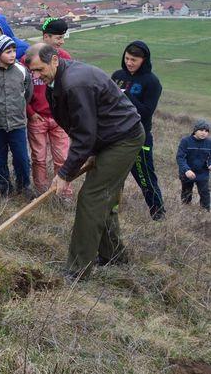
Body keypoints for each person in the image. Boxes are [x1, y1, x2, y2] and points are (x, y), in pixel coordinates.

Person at [26, 43, 145, 280]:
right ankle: (114, 255)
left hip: (123, 139)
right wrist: (87, 153)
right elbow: (79, 126)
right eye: (33, 72)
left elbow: (84, 134)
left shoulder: (74, 83)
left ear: (54, 61)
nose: (37, 76)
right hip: (107, 138)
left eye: (40, 70)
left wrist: (64, 174)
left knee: (91, 198)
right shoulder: (58, 80)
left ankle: (78, 270)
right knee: (103, 197)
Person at [111, 41, 165, 220]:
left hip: (139, 136)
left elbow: (147, 112)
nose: (129, 62)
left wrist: (127, 96)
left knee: (145, 177)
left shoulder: (152, 82)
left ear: (144, 60)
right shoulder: (117, 76)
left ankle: (158, 213)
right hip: (115, 135)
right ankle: (112, 208)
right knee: (113, 175)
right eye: (127, 58)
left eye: (134, 59)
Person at [27, 17, 72, 197]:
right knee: (38, 158)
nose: (61, 42)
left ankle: (64, 194)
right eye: (58, 38)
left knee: (62, 158)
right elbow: (23, 88)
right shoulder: (28, 58)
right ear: (46, 37)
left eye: (63, 38)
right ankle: (41, 193)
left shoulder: (65, 58)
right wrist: (30, 112)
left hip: (59, 118)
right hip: (37, 117)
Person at [0, 35, 33, 197]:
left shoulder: (22, 71)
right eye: (8, 51)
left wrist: (19, 108)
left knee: (21, 158)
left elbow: (27, 92)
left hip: (18, 123)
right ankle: (5, 189)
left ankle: (23, 187)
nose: (13, 54)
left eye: (13, 51)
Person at [176, 120, 211, 211]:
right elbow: (180, 157)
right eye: (201, 130)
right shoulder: (185, 141)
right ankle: (185, 212)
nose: (204, 133)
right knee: (186, 194)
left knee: (205, 193)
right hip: (187, 172)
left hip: (202, 172)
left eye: (206, 131)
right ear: (195, 130)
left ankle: (205, 214)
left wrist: (210, 164)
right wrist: (186, 170)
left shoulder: (209, 143)